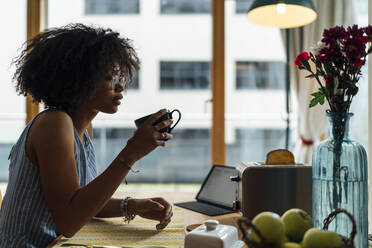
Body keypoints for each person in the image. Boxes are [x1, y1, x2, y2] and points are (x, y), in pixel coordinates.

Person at [0, 23, 174, 247]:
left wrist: (133, 205)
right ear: (78, 80)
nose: (120, 87)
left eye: (120, 77)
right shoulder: (54, 125)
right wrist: (131, 153)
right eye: (110, 78)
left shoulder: (79, 127)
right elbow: (69, 222)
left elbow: (80, 201)